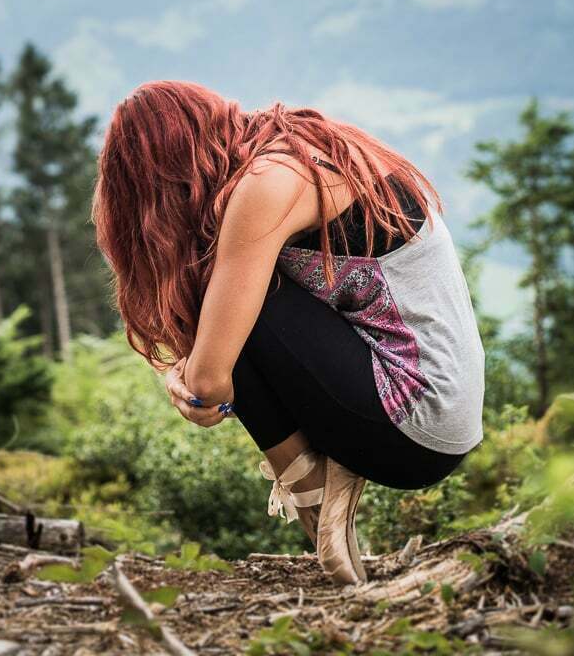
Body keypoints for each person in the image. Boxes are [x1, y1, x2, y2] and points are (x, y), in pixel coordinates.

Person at [92, 80, 485, 584]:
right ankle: (317, 491)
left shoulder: (268, 183)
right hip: (436, 415)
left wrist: (190, 378)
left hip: (415, 418)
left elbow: (211, 385)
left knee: (227, 302)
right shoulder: (291, 151)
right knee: (226, 304)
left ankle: (315, 494)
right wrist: (183, 371)